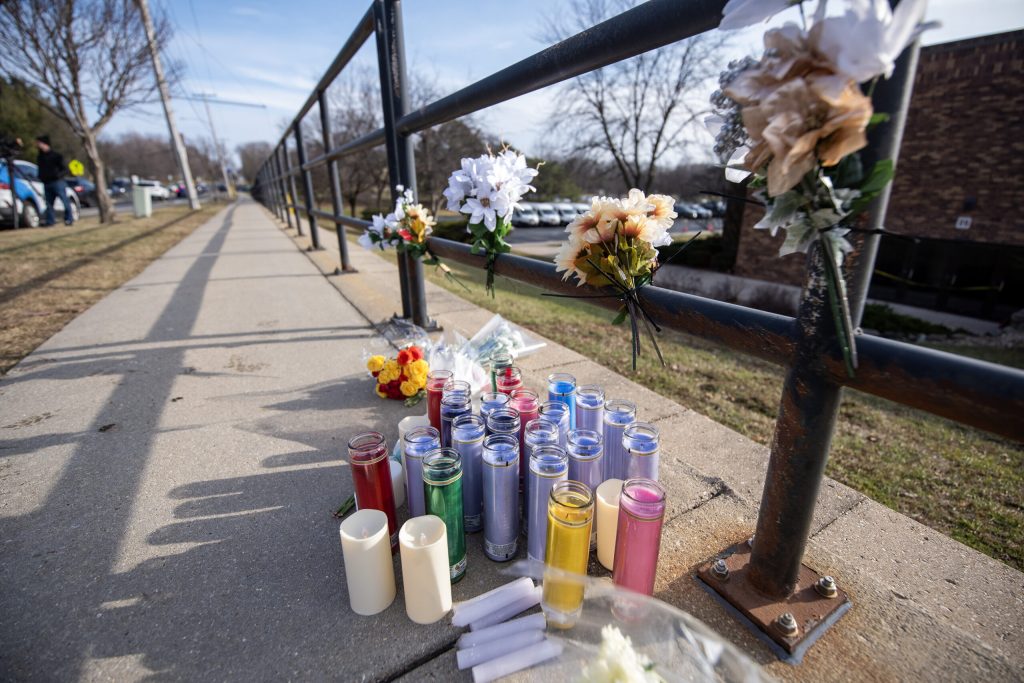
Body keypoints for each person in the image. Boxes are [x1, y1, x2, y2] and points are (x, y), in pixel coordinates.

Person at [35, 135, 74, 227]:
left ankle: (69, 219)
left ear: (46, 144)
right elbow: (40, 169)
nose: (38, 146)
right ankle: (50, 221)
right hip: (46, 183)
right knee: (48, 204)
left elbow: (65, 169)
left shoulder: (56, 156)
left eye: (40, 143)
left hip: (57, 182)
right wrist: (40, 177)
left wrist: (58, 175)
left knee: (65, 201)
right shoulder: (40, 157)